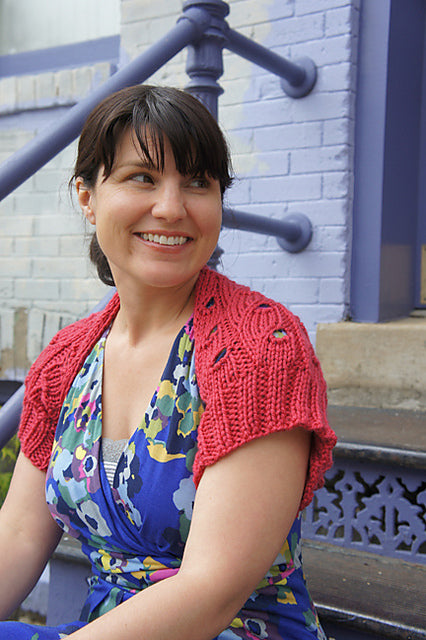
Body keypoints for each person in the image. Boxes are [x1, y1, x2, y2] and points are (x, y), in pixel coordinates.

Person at [0, 85, 336, 640]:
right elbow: (16, 535)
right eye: (142, 177)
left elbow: (211, 590)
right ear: (87, 196)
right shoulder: (65, 361)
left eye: (198, 182)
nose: (172, 208)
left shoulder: (260, 348)